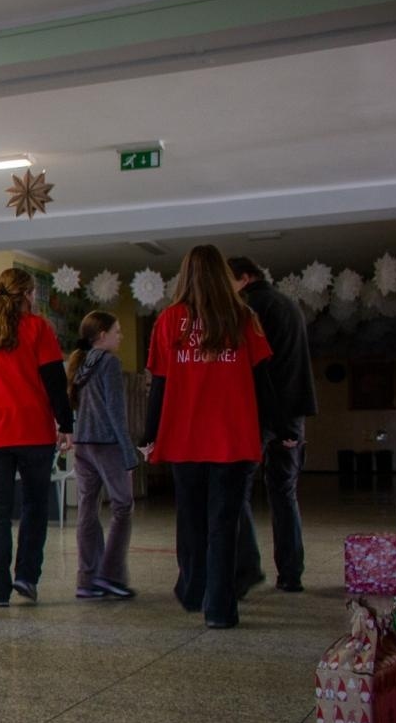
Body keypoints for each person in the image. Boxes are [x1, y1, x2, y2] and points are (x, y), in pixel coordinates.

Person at [142, 245, 295, 630]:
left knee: (191, 519)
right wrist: (283, 427)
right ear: (223, 277)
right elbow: (264, 381)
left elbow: (158, 385)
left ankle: (194, 590)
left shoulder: (168, 320)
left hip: (184, 438)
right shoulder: (242, 317)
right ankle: (220, 610)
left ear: (185, 276)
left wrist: (148, 435)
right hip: (232, 438)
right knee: (224, 525)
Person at [0, 268, 74, 607]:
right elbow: (54, 380)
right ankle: (26, 576)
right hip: (33, 431)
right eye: (34, 292)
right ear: (26, 295)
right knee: (35, 505)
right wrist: (66, 425)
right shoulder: (38, 329)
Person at [227, 256, 317, 593]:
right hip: (293, 411)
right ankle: (291, 574)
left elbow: (257, 369)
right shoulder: (288, 305)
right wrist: (289, 426)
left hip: (262, 411)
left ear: (245, 279)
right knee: (284, 492)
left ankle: (246, 568)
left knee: (236, 488)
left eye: (228, 281)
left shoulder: (249, 309)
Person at [65, 311, 138, 600]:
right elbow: (116, 414)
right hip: (107, 444)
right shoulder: (109, 363)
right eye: (117, 331)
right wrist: (129, 455)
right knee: (123, 506)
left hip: (83, 445)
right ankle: (111, 575)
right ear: (101, 335)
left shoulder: (82, 365)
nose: (121, 336)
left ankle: (87, 579)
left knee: (87, 510)